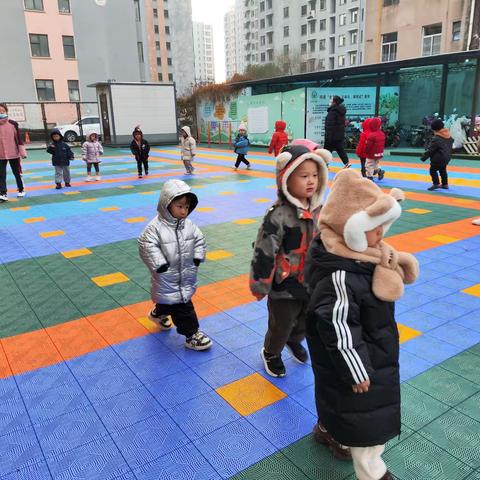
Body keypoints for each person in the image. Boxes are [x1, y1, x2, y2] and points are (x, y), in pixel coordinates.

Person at [305, 169, 419, 480]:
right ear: (349, 229)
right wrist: (356, 368)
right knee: (366, 419)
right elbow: (338, 325)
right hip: (359, 359)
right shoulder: (340, 274)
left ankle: (328, 430)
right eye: (375, 229)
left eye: (384, 227)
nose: (382, 236)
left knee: (336, 398)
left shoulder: (350, 254)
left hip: (361, 348)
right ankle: (374, 473)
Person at [250, 144, 331, 377]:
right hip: (283, 283)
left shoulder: (320, 210)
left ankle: (294, 340)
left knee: (306, 318)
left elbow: (329, 239)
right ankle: (271, 351)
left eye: (315, 175)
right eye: (303, 175)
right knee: (282, 322)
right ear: (286, 178)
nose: (311, 181)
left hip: (311, 281)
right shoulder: (278, 215)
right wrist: (260, 283)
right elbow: (264, 251)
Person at [138, 179, 212, 351]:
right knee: (182, 305)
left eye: (186, 207)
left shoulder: (189, 226)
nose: (184, 211)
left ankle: (157, 313)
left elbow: (200, 240)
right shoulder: (155, 228)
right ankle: (191, 334)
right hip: (166, 276)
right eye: (180, 206)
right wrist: (159, 264)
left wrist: (198, 256)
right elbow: (145, 244)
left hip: (186, 275)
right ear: (167, 204)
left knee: (169, 300)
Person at [0, 103, 26, 202]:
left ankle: (21, 189)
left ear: (6, 112)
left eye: (2, 111)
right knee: (1, 174)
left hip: (13, 153)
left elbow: (18, 139)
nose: (0, 113)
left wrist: (22, 152)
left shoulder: (13, 124)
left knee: (17, 172)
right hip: (1, 155)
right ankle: (3, 193)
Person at [420, 119, 453, 191]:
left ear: (434, 129)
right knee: (443, 170)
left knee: (432, 170)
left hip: (438, 158)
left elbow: (431, 150)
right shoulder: (449, 136)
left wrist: (423, 157)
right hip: (447, 157)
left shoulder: (436, 138)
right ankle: (445, 184)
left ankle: (436, 183)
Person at [324, 95, 350, 168]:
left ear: (334, 102)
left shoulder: (332, 112)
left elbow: (329, 125)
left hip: (331, 136)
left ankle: (324, 165)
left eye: (331, 100)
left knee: (326, 151)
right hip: (339, 135)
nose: (330, 102)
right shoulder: (341, 112)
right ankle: (347, 163)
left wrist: (328, 136)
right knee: (340, 149)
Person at [364, 117, 386, 182]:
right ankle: (379, 171)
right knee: (376, 163)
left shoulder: (371, 135)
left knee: (369, 165)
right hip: (379, 153)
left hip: (371, 154)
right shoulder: (382, 134)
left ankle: (370, 177)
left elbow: (368, 146)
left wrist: (366, 151)